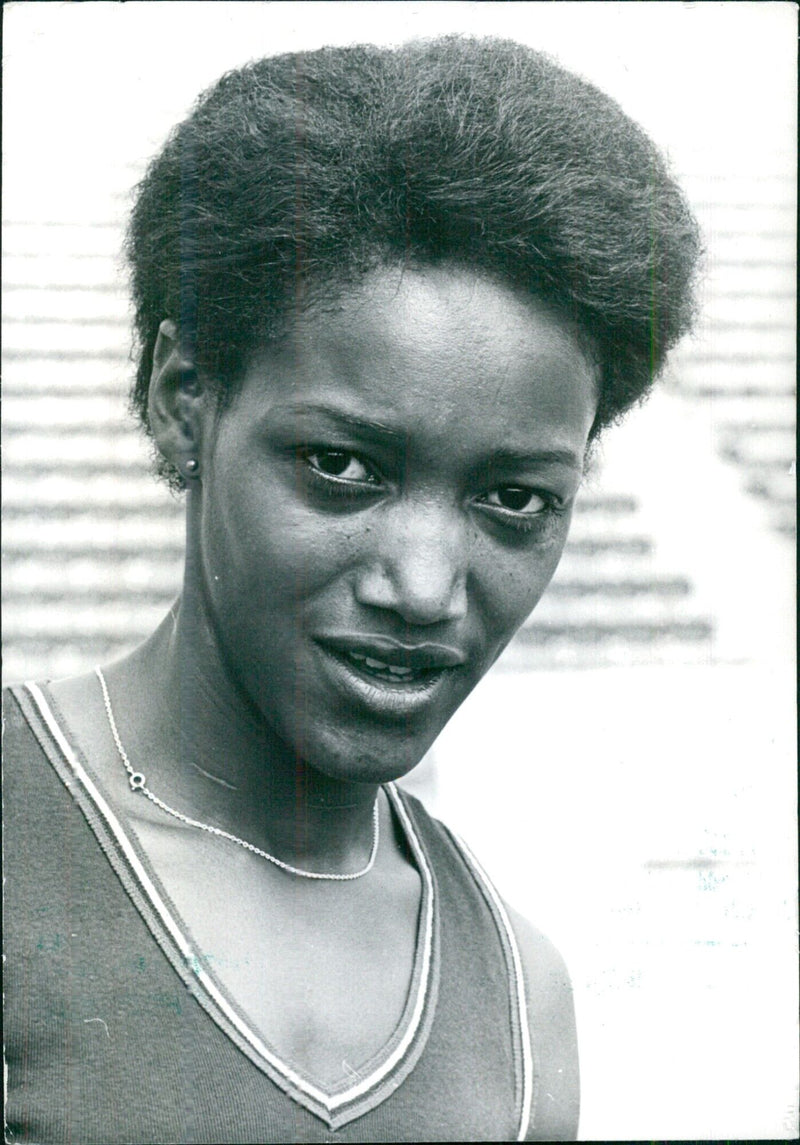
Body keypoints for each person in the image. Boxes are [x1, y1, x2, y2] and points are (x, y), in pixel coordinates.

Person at [3, 36, 699, 1143]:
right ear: (183, 398)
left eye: (513, 498)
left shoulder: (520, 1001)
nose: (422, 587)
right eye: (341, 466)